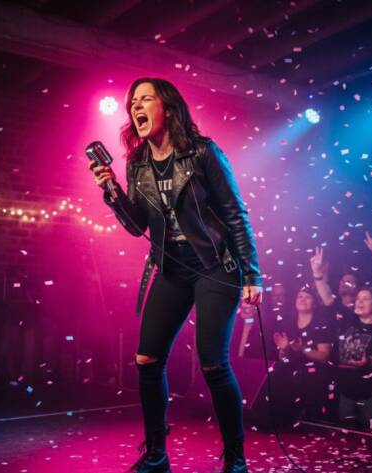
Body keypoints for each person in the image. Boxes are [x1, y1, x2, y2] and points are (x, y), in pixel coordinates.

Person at [89, 77, 262, 473]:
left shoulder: (202, 152)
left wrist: (253, 273)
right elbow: (137, 226)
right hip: (171, 267)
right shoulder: (137, 163)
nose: (136, 106)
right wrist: (112, 191)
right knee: (147, 359)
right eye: (133, 102)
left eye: (145, 99)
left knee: (213, 364)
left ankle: (235, 458)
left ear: (167, 108)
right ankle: (156, 455)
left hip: (215, 266)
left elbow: (235, 214)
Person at [270, 286, 335, 425]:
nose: (303, 299)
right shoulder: (288, 323)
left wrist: (304, 349)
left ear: (314, 303)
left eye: (307, 297)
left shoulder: (321, 324)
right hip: (291, 379)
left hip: (314, 381)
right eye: (300, 296)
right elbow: (283, 358)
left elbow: (324, 357)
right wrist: (284, 349)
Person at [332, 287, 372, 430]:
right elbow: (329, 300)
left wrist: (368, 361)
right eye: (358, 298)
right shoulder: (347, 321)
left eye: (365, 299)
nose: (360, 302)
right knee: (347, 437)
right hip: (346, 392)